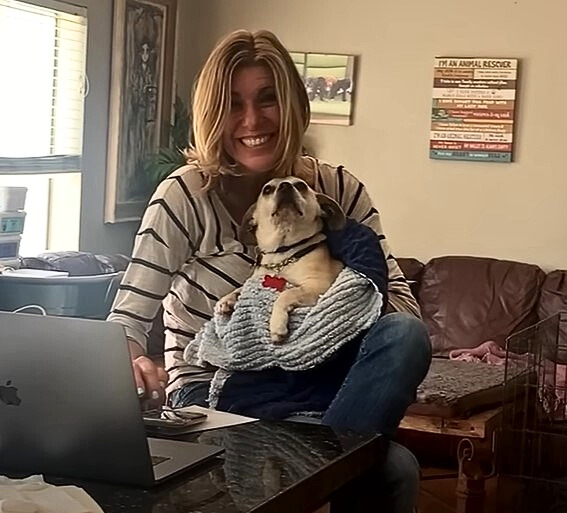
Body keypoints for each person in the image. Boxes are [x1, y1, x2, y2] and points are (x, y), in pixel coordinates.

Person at [107, 29, 431, 513]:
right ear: (212, 114)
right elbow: (126, 322)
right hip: (211, 393)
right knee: (392, 470)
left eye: (268, 99)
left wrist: (328, 269)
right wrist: (134, 365)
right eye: (233, 104)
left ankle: (309, 472)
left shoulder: (338, 191)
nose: (252, 120)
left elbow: (403, 309)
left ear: (295, 104)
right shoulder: (183, 197)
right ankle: (320, 477)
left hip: (321, 388)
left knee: (406, 336)